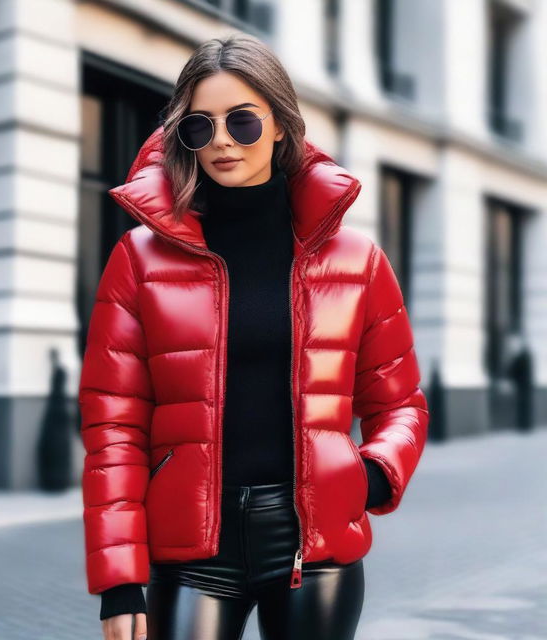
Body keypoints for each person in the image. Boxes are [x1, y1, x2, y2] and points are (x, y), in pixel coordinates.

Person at [78, 34, 429, 640]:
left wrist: (367, 475)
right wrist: (118, 580)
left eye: (241, 121)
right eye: (198, 126)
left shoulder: (357, 260)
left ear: (281, 128)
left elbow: (400, 404)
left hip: (314, 551)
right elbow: (114, 426)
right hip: (188, 551)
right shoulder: (138, 258)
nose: (220, 140)